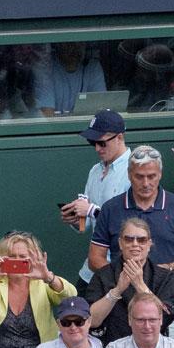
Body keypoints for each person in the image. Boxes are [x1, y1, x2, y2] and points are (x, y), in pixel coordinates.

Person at [88, 144, 174, 281]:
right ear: (129, 175)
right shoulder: (111, 208)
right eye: (139, 177)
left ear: (160, 174)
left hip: (166, 295)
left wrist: (160, 272)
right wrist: (121, 276)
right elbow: (94, 259)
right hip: (121, 294)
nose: (146, 183)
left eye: (151, 176)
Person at [59, 111, 132, 280]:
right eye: (93, 143)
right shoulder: (95, 170)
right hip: (92, 268)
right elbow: (88, 224)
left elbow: (133, 219)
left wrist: (91, 210)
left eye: (102, 143)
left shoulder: (134, 170)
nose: (97, 148)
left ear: (119, 138)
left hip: (122, 268)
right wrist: (77, 219)